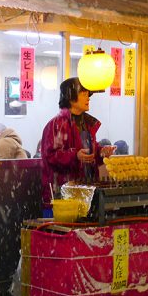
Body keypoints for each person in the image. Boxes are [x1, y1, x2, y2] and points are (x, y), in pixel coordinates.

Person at [40, 77, 116, 214]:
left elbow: (88, 150)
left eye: (88, 94)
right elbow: (50, 156)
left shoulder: (86, 123)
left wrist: (101, 152)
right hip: (61, 199)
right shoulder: (56, 124)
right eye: (83, 93)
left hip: (86, 195)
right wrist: (75, 155)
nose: (88, 97)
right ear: (70, 97)